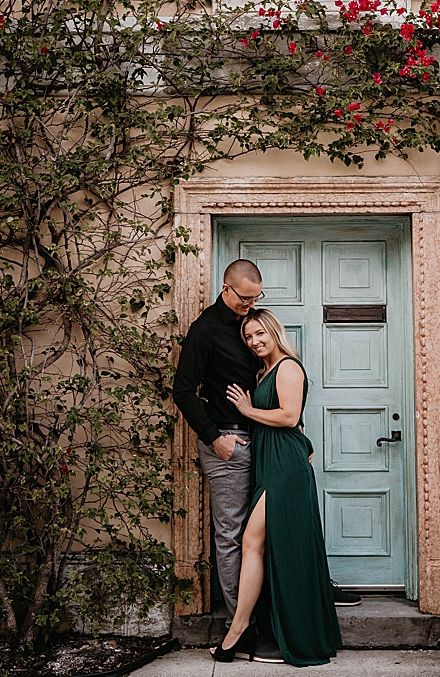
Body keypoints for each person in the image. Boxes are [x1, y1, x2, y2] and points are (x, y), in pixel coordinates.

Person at [211, 308, 342, 666]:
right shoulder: (265, 370)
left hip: (284, 466)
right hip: (273, 461)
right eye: (248, 337)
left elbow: (287, 415)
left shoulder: (288, 366)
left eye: (259, 334)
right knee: (259, 544)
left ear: (273, 331)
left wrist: (247, 409)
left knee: (252, 541)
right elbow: (295, 423)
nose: (254, 342)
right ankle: (245, 628)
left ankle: (236, 631)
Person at [172, 258, 288, 663]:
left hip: (263, 440)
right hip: (229, 443)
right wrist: (214, 438)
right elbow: (183, 390)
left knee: (259, 534)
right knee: (232, 535)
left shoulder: (251, 324)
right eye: (245, 297)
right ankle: (241, 630)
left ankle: (269, 616)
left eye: (257, 298)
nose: (251, 304)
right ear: (226, 289)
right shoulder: (203, 331)